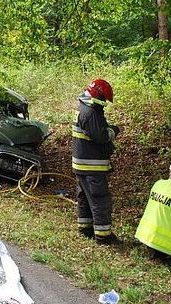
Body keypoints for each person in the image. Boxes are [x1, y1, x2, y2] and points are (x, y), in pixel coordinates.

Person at [72, 79, 120, 245]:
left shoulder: (83, 108)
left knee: (85, 197)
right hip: (91, 166)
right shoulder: (91, 113)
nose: (105, 104)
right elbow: (101, 137)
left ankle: (85, 228)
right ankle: (103, 236)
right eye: (104, 100)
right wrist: (113, 131)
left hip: (82, 164)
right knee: (100, 200)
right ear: (98, 95)